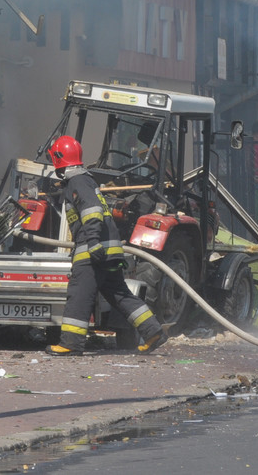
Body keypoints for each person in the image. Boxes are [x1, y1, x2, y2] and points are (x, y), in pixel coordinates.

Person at [44, 135, 167, 356]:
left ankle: (70, 344)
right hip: (110, 250)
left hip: (93, 251)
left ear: (59, 159)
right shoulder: (86, 180)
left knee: (79, 294)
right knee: (119, 294)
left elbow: (92, 212)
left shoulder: (77, 182)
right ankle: (153, 331)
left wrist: (91, 242)